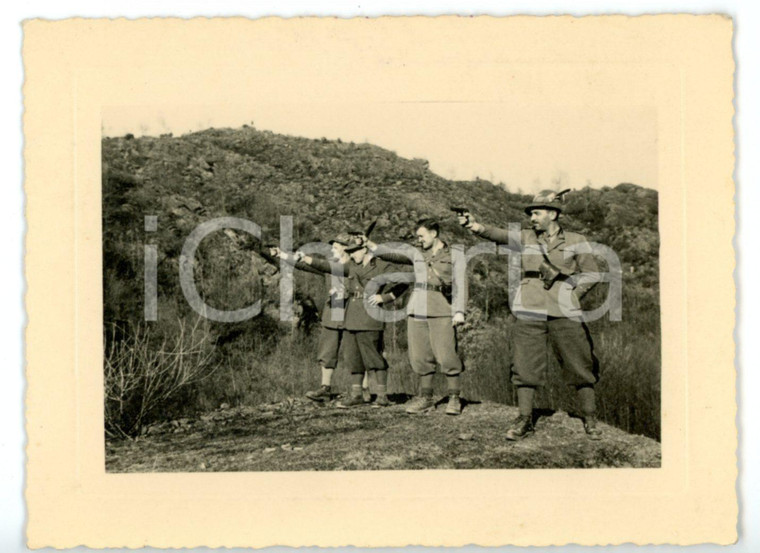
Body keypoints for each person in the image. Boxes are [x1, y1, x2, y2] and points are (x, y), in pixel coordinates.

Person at [459, 189, 603, 440]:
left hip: (563, 309)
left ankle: (590, 418)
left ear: (553, 214)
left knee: (579, 362)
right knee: (524, 364)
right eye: (531, 214)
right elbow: (498, 234)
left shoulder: (576, 239)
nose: (532, 218)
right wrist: (474, 225)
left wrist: (573, 296)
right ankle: (525, 418)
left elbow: (592, 274)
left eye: (536, 212)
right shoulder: (525, 237)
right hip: (529, 306)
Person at [366, 218, 466, 416]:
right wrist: (369, 245)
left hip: (441, 308)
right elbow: (393, 255)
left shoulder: (455, 254)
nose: (418, 240)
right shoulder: (417, 253)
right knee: (420, 355)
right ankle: (426, 397)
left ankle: (454, 396)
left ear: (434, 233)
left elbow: (461, 284)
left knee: (446, 354)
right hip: (417, 307)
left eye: (421, 235)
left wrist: (459, 311)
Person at [297, 236, 408, 408]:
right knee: (353, 357)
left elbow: (404, 280)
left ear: (365, 249)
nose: (352, 254)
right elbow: (329, 267)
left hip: (370, 315)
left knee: (374, 356)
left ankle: (381, 396)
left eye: (354, 251)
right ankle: (357, 394)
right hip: (351, 316)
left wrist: (385, 297)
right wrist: (306, 259)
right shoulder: (352, 266)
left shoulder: (381, 265)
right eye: (349, 251)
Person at [270, 234, 372, 404]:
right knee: (327, 350)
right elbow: (302, 264)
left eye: (336, 246)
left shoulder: (359, 265)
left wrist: (347, 291)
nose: (332, 250)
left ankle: (364, 389)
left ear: (346, 248)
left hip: (353, 311)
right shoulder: (328, 266)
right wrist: (281, 254)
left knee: (358, 351)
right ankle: (325, 388)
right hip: (333, 310)